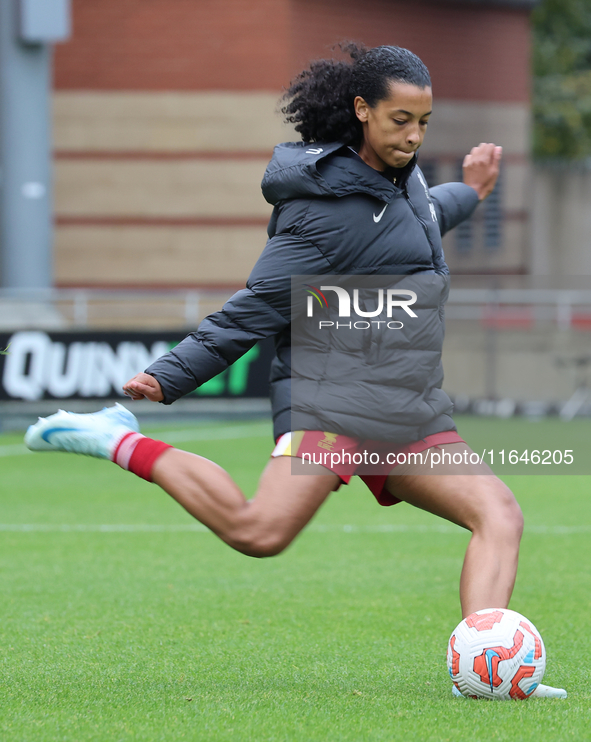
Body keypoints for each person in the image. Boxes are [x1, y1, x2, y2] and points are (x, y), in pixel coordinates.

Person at [26, 44, 564, 698]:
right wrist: (169, 375)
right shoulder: (318, 211)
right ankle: (118, 437)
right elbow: (253, 306)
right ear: (361, 111)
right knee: (260, 531)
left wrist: (471, 191)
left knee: (498, 513)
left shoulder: (407, 182)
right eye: (400, 121)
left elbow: (422, 218)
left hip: (404, 408)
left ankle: (481, 669)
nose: (414, 136)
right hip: (332, 401)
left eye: (423, 121)